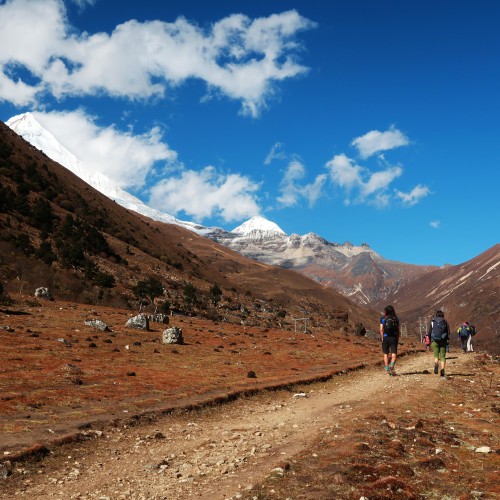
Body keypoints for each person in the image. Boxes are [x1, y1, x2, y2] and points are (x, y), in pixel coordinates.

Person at [380, 305, 400, 376]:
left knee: (386, 353)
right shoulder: (396, 319)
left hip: (385, 337)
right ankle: (391, 365)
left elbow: (381, 329)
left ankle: (387, 369)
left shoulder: (383, 318)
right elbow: (398, 330)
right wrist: (397, 338)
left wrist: (382, 338)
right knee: (394, 353)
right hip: (393, 337)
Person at [429, 310, 449, 378]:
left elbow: (429, 332)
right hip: (443, 341)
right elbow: (448, 332)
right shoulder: (445, 322)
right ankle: (442, 370)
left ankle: (436, 364)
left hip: (435, 341)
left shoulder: (433, 322)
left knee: (436, 355)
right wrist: (447, 340)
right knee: (443, 356)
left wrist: (429, 340)